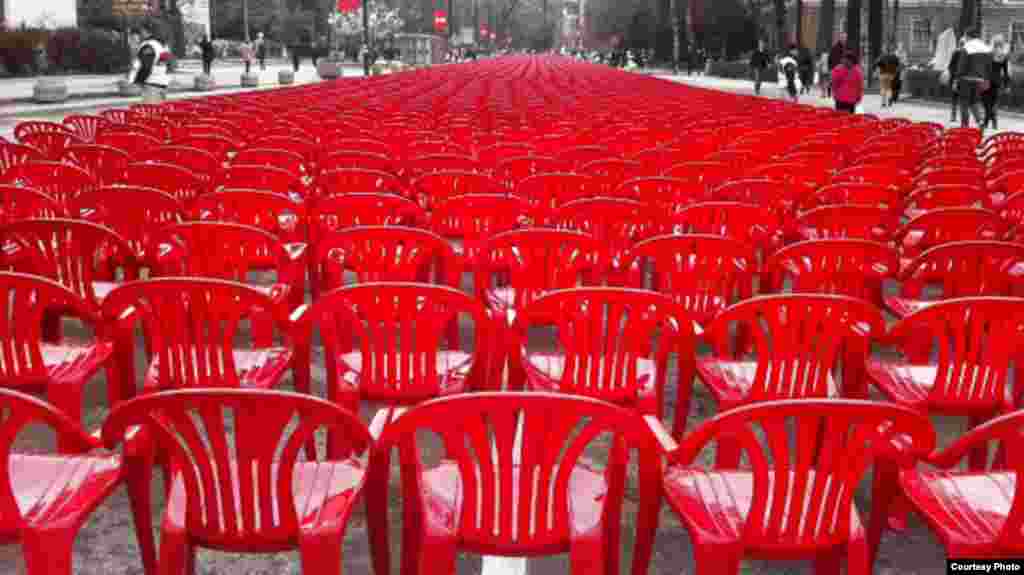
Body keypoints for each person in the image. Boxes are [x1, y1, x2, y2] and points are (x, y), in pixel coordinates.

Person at [957, 27, 993, 129]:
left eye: (965, 36)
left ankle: (964, 126)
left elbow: (962, 65)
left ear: (968, 36)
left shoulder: (967, 47)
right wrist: (986, 79)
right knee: (975, 102)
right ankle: (980, 121)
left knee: (964, 103)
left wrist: (957, 77)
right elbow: (989, 67)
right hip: (979, 80)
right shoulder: (986, 48)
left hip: (966, 79)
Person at [983, 34, 1011, 130]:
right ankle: (993, 121)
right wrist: (1007, 85)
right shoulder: (1003, 56)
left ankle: (987, 121)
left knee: (987, 102)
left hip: (987, 80)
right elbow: (1006, 72)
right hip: (997, 81)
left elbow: (984, 68)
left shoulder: (988, 54)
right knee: (992, 102)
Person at [133, 28, 170, 98]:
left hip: (151, 83)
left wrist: (138, 82)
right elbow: (167, 62)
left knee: (151, 103)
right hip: (162, 82)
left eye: (141, 32)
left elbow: (146, 66)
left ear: (145, 31)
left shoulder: (148, 45)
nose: (140, 34)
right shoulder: (162, 44)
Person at [948, 36, 966, 123]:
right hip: (963, 79)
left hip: (955, 78)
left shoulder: (956, 52)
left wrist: (953, 76)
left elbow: (950, 66)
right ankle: (962, 117)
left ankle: (953, 116)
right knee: (963, 99)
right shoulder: (966, 53)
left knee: (954, 98)